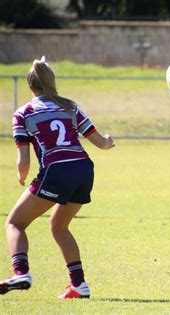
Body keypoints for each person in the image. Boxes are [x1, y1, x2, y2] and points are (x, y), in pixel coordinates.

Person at [0, 57, 115, 299]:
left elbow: (24, 162)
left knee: (14, 223)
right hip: (84, 170)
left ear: (30, 86)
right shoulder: (70, 107)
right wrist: (108, 141)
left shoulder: (23, 113)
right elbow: (101, 143)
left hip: (57, 171)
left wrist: (21, 177)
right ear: (52, 82)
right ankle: (79, 285)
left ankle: (20, 272)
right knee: (59, 226)